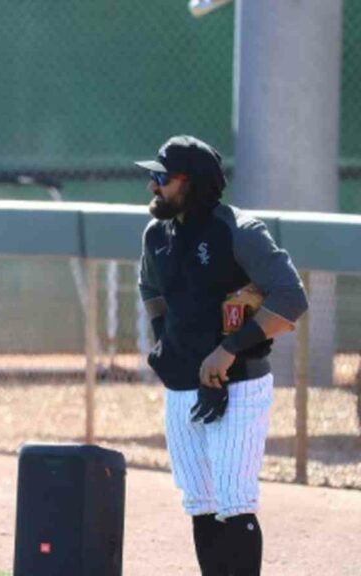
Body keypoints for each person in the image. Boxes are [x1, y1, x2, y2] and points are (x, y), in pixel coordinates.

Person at [136, 135, 308, 576]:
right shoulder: (156, 234)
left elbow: (291, 298)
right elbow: (150, 288)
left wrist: (228, 349)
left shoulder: (239, 231)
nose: (153, 186)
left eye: (162, 177)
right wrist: (163, 339)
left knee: (235, 502)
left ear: (190, 183)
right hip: (182, 385)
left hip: (242, 381)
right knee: (201, 503)